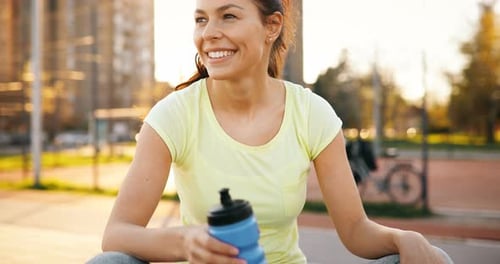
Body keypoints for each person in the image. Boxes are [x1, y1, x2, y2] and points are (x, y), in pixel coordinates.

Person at [88, 0, 453, 263]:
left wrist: (403, 237)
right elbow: (116, 235)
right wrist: (188, 242)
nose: (209, 33)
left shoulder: (311, 113)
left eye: (228, 16)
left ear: (272, 26)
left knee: (430, 258)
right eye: (201, 19)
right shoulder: (173, 115)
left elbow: (356, 229)